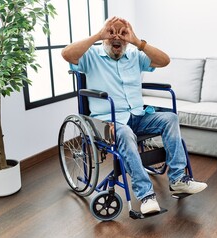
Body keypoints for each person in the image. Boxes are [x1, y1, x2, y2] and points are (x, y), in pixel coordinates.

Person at [61, 16, 207, 215]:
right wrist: (98, 35)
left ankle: (178, 180)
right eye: (112, 32)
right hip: (108, 121)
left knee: (170, 118)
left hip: (138, 115)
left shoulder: (134, 55)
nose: (117, 37)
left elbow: (164, 60)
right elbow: (66, 54)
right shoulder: (91, 56)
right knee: (126, 134)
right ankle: (146, 195)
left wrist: (138, 42)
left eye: (122, 33)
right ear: (105, 34)